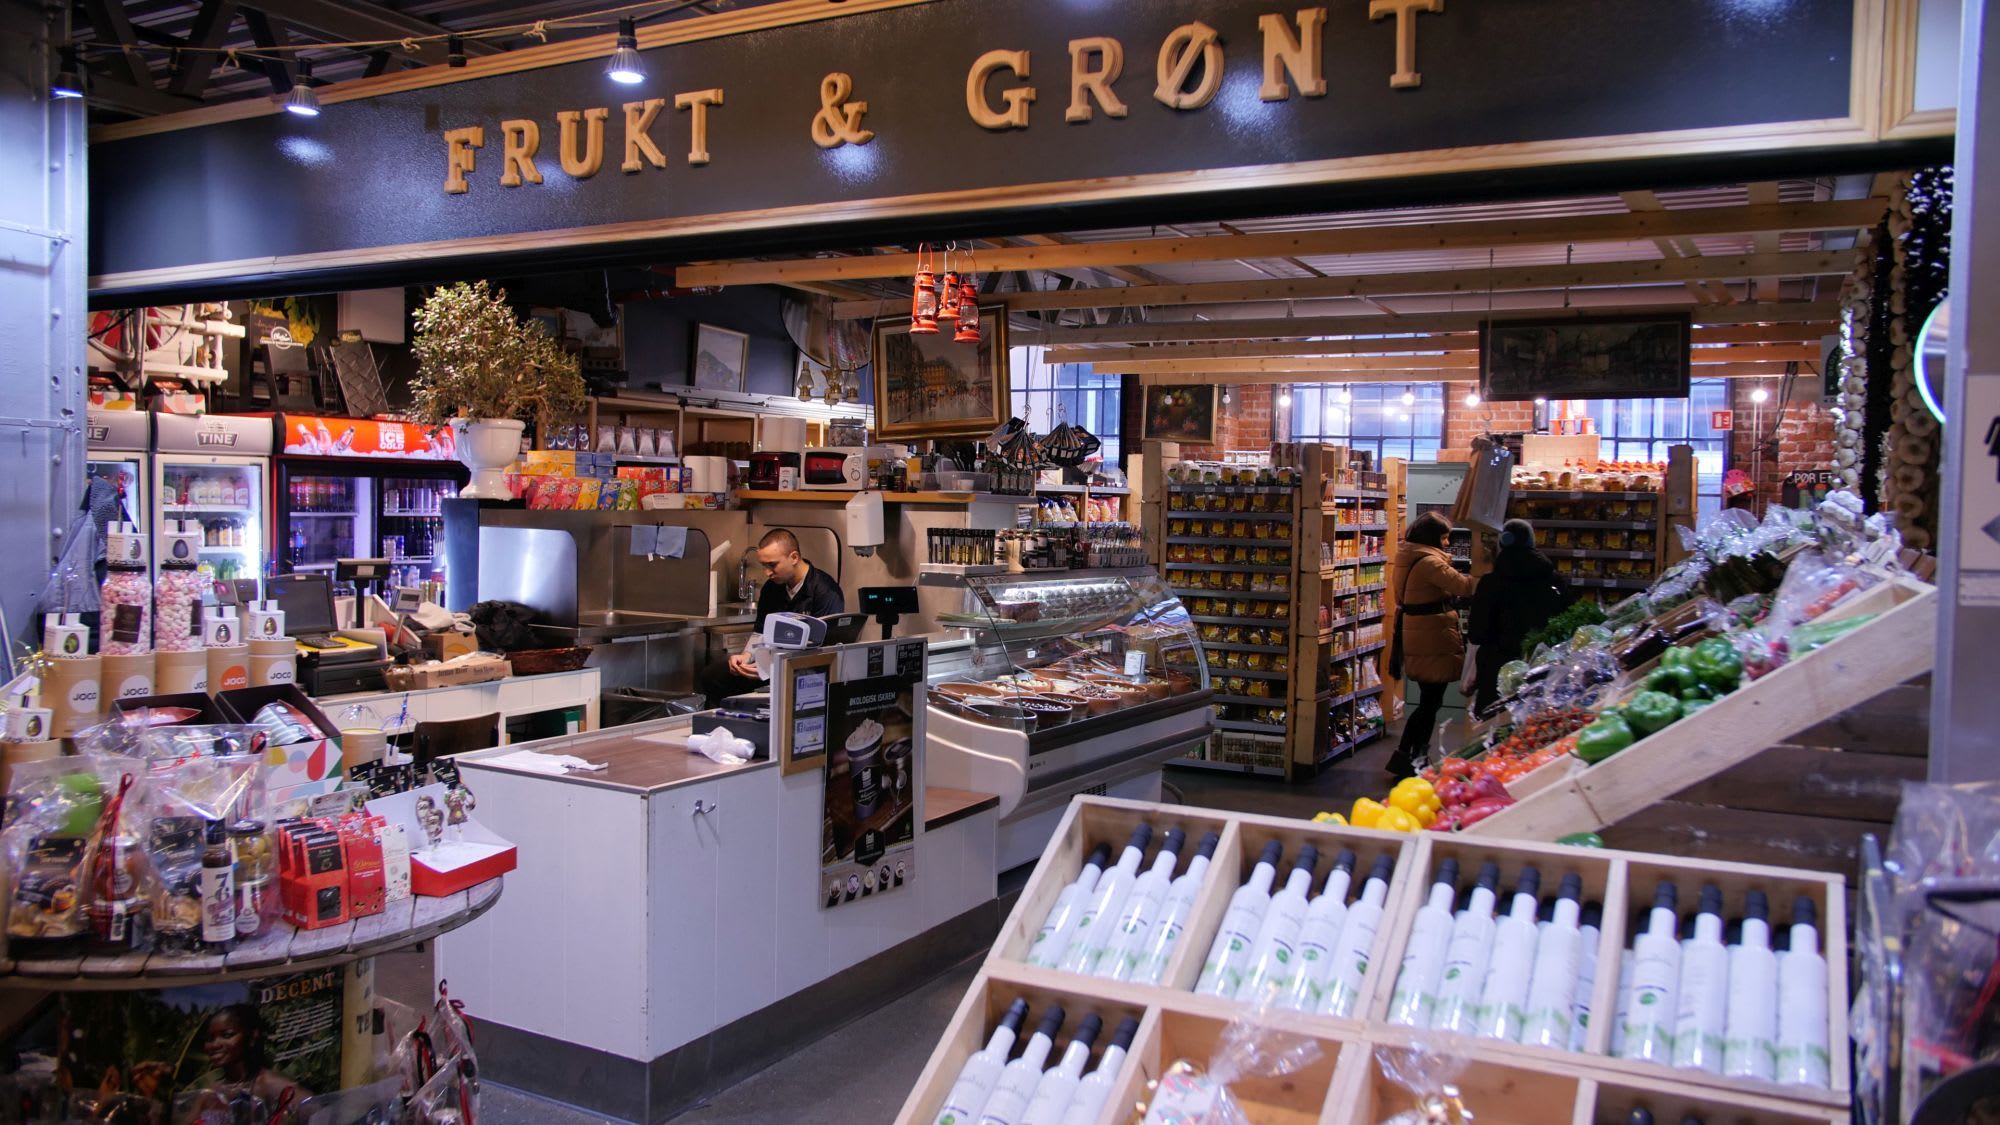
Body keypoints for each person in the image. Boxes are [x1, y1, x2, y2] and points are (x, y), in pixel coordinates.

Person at [698, 528, 845, 704]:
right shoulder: (772, 588)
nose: (767, 573)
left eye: (772, 565)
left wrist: (771, 667)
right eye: (764, 566)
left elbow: (822, 651)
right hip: (769, 665)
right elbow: (760, 632)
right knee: (713, 676)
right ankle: (723, 727)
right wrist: (746, 656)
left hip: (805, 671)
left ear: (794, 557)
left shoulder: (825, 591)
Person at [1388, 511, 1478, 779]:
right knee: (1430, 701)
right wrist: (1485, 568)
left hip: (1417, 631)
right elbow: (1464, 586)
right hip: (1430, 634)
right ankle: (1410, 755)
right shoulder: (1430, 562)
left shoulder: (1409, 555)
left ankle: (1412, 754)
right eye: (1444, 537)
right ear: (1432, 537)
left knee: (1430, 699)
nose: (1448, 543)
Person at [1466, 519, 1571, 714]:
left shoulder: (1490, 583)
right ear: (1532, 542)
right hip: (1541, 667)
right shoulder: (1554, 580)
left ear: (1502, 543)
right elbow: (1567, 621)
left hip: (1497, 671)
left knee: (1494, 729)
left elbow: (1477, 633)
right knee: (1538, 725)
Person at [184, 1004, 309, 1119]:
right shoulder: (212, 1093)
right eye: (210, 1039)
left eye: (227, 1035)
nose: (214, 1045)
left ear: (252, 1037)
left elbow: (321, 1114)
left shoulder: (273, 1086)